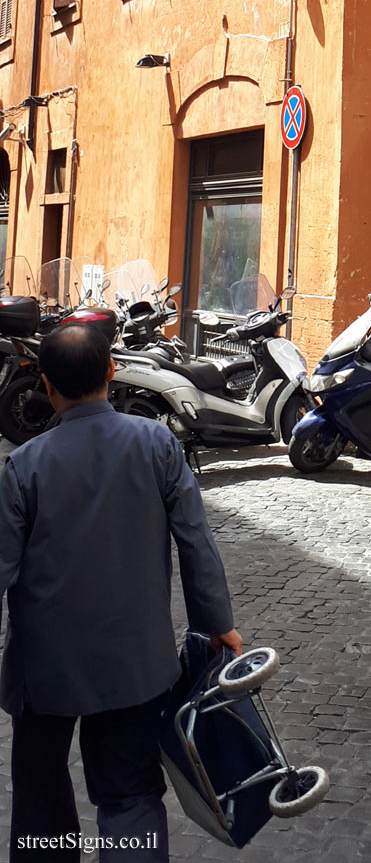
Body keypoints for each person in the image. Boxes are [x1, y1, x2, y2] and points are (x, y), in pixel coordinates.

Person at [0, 323, 242, 860]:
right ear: (111, 373)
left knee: (40, 800)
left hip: (45, 672)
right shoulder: (155, 443)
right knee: (130, 796)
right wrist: (217, 623)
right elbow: (196, 543)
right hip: (136, 664)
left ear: (46, 384)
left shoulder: (23, 467)